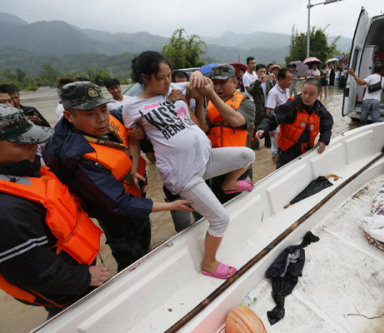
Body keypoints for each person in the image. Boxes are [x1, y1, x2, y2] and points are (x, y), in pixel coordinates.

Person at [123, 51, 255, 279]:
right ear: (145, 78)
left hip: (204, 159)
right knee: (220, 219)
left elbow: (203, 81)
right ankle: (209, 262)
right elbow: (133, 138)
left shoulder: (174, 90)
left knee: (247, 154)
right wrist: (134, 166)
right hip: (183, 173)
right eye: (161, 78)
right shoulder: (132, 107)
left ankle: (230, 183)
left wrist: (196, 74)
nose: (167, 82)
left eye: (168, 76)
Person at [42, 81, 194, 271]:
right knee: (130, 258)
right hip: (116, 215)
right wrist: (171, 205)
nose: (101, 119)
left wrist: (139, 129)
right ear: (68, 116)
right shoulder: (75, 156)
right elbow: (117, 203)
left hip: (137, 196)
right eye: (90, 114)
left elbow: (136, 110)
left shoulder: (110, 117)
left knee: (144, 240)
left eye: (103, 110)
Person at [0, 104, 110, 318]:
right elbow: (29, 271)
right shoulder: (6, 210)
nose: (35, 145)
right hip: (66, 288)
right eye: (21, 142)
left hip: (74, 267)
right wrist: (83, 278)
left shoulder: (24, 169)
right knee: (77, 317)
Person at [202, 64, 256, 203]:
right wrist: (195, 99)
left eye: (222, 82)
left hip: (239, 169)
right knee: (220, 206)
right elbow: (202, 129)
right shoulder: (209, 105)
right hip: (217, 168)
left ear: (234, 82)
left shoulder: (246, 103)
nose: (218, 87)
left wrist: (211, 95)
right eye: (214, 83)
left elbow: (237, 121)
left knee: (243, 206)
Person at [256, 78, 333, 169]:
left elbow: (327, 126)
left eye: (311, 94)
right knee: (283, 175)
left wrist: (323, 141)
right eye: (304, 92)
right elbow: (272, 117)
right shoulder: (291, 105)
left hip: (306, 151)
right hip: (286, 151)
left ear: (318, 94)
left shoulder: (320, 110)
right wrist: (262, 129)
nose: (306, 96)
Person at [265, 68, 293, 165]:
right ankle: (275, 170)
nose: (290, 82)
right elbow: (269, 110)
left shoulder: (287, 90)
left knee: (284, 146)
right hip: (276, 126)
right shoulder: (274, 93)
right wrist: (270, 128)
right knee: (275, 148)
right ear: (280, 79)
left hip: (285, 125)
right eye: (289, 79)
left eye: (291, 79)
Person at [249, 64, 274, 149]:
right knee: (257, 127)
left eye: (264, 71)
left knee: (268, 125)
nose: (263, 74)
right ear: (257, 73)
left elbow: (274, 91)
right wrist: (259, 82)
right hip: (258, 110)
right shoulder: (254, 83)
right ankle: (255, 146)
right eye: (261, 72)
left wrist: (274, 81)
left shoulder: (268, 83)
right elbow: (251, 92)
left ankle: (268, 143)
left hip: (268, 108)